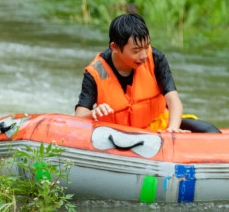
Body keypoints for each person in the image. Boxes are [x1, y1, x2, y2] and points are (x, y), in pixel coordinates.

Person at [75, 12, 220, 133]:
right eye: (136, 50)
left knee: (211, 131)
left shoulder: (155, 58)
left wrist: (173, 129)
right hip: (115, 136)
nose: (144, 55)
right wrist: (92, 114)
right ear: (115, 47)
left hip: (157, 129)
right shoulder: (96, 72)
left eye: (147, 46)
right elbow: (79, 117)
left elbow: (173, 100)